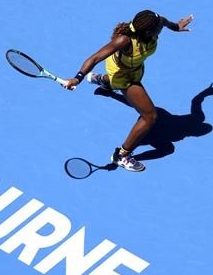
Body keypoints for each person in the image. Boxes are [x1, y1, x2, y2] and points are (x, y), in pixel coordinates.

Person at [65, 10, 194, 172]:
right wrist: (77, 78)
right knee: (150, 116)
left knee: (114, 85)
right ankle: (121, 155)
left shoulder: (155, 23)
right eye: (158, 29)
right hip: (123, 75)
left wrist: (176, 27)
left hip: (136, 69)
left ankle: (102, 80)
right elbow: (95, 57)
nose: (160, 29)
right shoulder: (124, 40)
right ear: (148, 31)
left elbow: (164, 21)